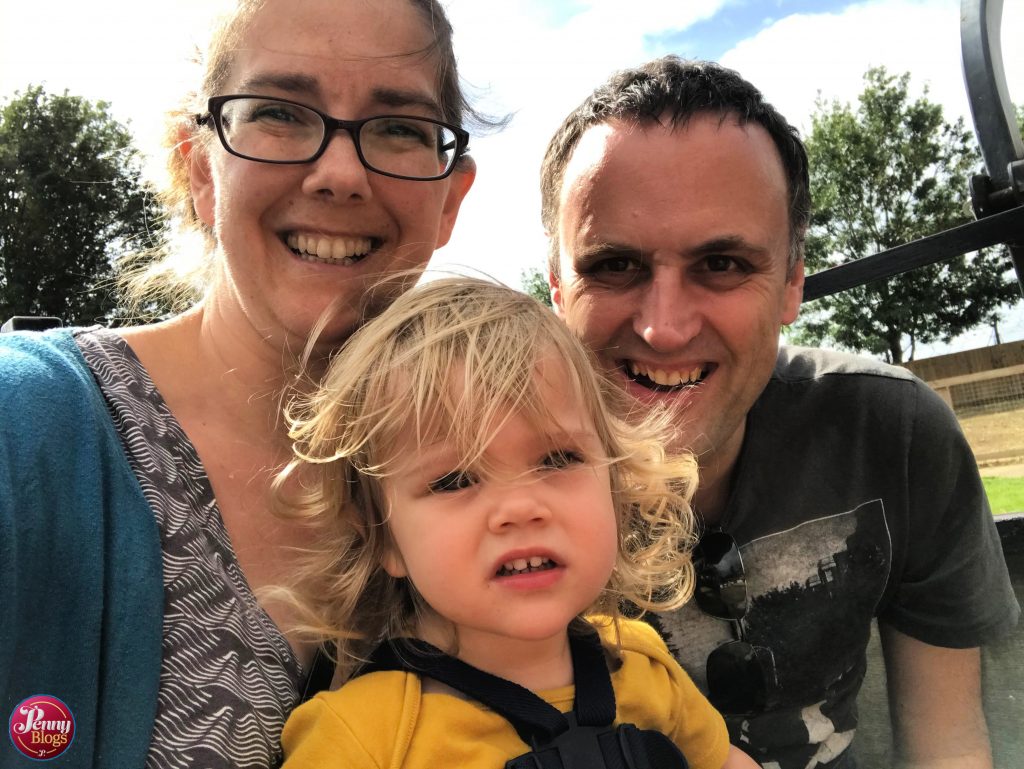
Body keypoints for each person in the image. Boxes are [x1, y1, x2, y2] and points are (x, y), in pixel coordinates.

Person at [0, 0, 477, 766]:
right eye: (281, 113)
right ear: (200, 166)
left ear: (450, 194)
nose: (341, 174)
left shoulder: (489, 470)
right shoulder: (25, 430)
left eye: (398, 127)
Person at [541, 55, 1019, 769]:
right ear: (556, 286)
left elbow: (947, 742)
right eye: (615, 265)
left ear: (792, 284)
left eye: (723, 264)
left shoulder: (892, 434)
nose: (664, 328)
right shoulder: (467, 479)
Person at [271, 277, 757, 769]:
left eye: (558, 459)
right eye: (455, 481)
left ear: (615, 484)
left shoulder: (644, 665)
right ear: (383, 539)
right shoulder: (362, 736)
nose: (521, 508)